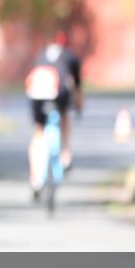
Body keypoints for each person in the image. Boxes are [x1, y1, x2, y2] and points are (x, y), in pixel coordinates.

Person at [25, 31, 83, 196]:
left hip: (37, 88)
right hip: (58, 89)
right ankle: (65, 155)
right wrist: (78, 108)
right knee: (64, 116)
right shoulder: (70, 57)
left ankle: (35, 178)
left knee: (38, 131)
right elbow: (77, 89)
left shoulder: (41, 55)